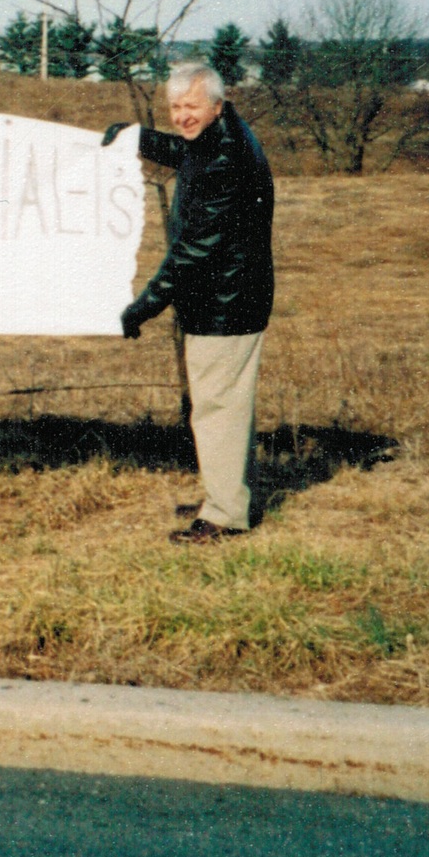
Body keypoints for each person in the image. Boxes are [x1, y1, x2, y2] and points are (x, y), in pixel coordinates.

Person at [107, 61, 276, 543]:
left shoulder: (223, 158)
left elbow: (191, 253)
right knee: (225, 405)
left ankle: (222, 515)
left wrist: (141, 308)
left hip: (226, 301)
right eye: (175, 107)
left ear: (216, 105)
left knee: (217, 408)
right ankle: (227, 498)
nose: (182, 116)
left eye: (191, 107)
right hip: (229, 295)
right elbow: (186, 152)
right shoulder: (219, 137)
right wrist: (136, 136)